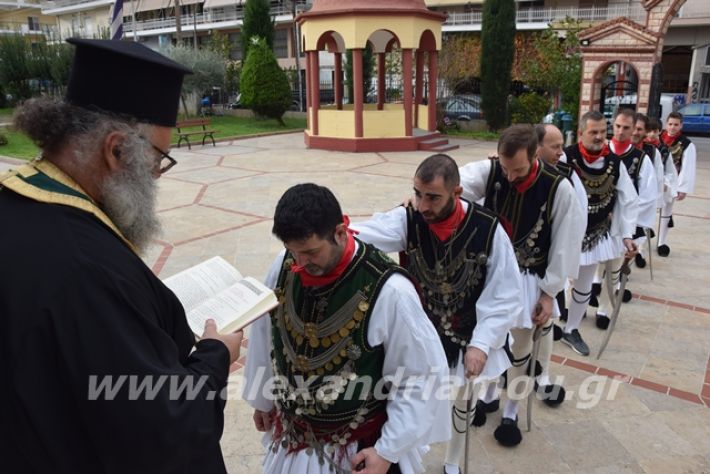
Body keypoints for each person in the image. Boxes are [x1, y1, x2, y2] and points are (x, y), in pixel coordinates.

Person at [0, 39, 243, 473]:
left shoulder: (14, 201)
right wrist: (215, 355)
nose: (156, 176)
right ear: (115, 150)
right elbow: (167, 433)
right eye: (158, 160)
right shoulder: (86, 267)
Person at [243, 183, 451, 474]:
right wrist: (262, 400)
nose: (301, 263)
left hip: (355, 450)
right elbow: (266, 333)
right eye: (293, 251)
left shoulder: (390, 291)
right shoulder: (285, 264)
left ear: (340, 232)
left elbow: (422, 377)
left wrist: (387, 450)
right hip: (293, 437)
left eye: (311, 252)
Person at [351, 155, 521, 472]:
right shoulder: (410, 218)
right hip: (422, 334)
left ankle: (452, 462)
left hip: (465, 336)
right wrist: (334, 236)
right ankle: (405, 458)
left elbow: (505, 292)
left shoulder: (488, 229)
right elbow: (369, 233)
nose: (422, 204)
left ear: (457, 193)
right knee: (406, 402)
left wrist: (481, 344)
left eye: (432, 197)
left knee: (461, 402)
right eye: (417, 193)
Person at [457, 125, 584, 447]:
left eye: (519, 169)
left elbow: (565, 244)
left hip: (532, 279)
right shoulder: (491, 171)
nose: (510, 177)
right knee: (490, 339)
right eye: (505, 167)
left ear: (535, 155)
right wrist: (420, 197)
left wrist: (549, 293)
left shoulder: (559, 188)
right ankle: (489, 394)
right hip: (492, 274)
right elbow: (451, 182)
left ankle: (511, 410)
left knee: (522, 352)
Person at [561, 110, 638, 356]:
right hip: (564, 234)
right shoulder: (566, 158)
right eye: (593, 132)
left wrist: (627, 234)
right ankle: (547, 325)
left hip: (596, 234)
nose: (598, 137)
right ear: (581, 133)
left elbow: (628, 200)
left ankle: (572, 329)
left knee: (584, 284)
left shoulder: (615, 163)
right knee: (553, 282)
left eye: (602, 132)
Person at [592, 109, 657, 325]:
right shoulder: (599, 151)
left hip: (621, 223)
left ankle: (604, 309)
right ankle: (582, 302)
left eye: (626, 128)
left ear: (634, 131)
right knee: (590, 265)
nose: (620, 132)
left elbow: (647, 196)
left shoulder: (640, 160)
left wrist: (634, 228)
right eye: (617, 126)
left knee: (614, 267)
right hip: (597, 219)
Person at [534, 122, 588, 372]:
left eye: (561, 146)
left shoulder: (567, 175)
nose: (560, 152)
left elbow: (578, 216)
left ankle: (543, 377)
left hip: (551, 259)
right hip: (519, 262)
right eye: (554, 147)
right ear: (537, 147)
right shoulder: (509, 170)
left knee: (545, 322)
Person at [632, 113, 678, 268]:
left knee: (642, 226)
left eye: (640, 129)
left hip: (645, 195)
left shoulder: (656, 151)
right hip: (627, 196)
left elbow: (662, 173)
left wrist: (663, 189)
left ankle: (640, 252)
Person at [657, 111, 697, 256]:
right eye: (670, 124)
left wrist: (682, 188)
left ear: (681, 126)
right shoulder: (656, 137)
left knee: (666, 211)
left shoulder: (686, 144)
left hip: (671, 182)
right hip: (654, 180)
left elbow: (687, 167)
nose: (672, 127)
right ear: (666, 123)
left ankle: (662, 242)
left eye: (676, 125)